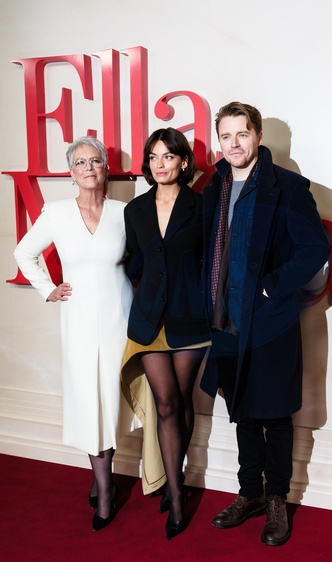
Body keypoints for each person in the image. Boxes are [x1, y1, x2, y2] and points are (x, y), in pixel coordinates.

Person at [200, 102, 330, 546]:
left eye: (242, 134)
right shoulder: (214, 187)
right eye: (226, 136)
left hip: (269, 322)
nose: (234, 143)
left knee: (274, 413)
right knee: (241, 411)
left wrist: (274, 286)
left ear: (257, 136)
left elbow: (314, 248)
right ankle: (249, 493)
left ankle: (277, 499)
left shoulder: (288, 187)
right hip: (224, 319)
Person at [14, 136, 134, 532]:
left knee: (111, 402)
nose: (88, 168)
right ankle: (105, 490)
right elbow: (23, 253)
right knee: (88, 402)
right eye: (80, 162)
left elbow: (143, 260)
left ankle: (103, 479)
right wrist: (47, 288)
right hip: (78, 320)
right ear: (71, 172)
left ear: (105, 169)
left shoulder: (123, 213)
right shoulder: (57, 213)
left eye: (95, 161)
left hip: (120, 319)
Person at [121, 127, 210, 540]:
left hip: (190, 320)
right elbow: (132, 259)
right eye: (153, 157)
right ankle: (176, 495)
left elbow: (212, 262)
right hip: (149, 321)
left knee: (183, 400)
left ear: (183, 162)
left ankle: (177, 477)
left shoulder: (202, 206)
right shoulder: (135, 210)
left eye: (168, 156)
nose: (160, 164)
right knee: (167, 403)